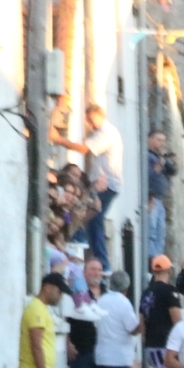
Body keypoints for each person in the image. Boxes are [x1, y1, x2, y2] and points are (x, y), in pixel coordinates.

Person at [51, 105, 123, 270]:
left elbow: (83, 149)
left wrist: (58, 139)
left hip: (107, 185)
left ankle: (98, 258)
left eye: (90, 119)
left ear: (97, 116)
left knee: (92, 215)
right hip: (102, 184)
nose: (89, 123)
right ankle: (87, 246)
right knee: (90, 215)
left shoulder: (106, 133)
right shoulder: (100, 133)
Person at [19, 273, 69, 368]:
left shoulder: (41, 309)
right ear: (48, 288)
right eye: (59, 292)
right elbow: (37, 346)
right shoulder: (37, 310)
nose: (61, 297)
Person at [69, 260, 104, 368]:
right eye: (92, 269)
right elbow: (65, 318)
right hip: (81, 349)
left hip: (101, 353)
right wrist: (67, 343)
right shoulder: (77, 294)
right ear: (84, 272)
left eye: (99, 269)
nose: (97, 273)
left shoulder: (107, 294)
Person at [94, 270, 141, 368]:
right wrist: (143, 324)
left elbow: (96, 325)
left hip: (102, 357)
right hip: (119, 358)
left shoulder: (101, 301)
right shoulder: (124, 303)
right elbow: (132, 329)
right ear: (126, 287)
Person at [146, 130, 176, 259]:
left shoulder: (159, 156)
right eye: (159, 140)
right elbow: (148, 176)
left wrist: (170, 161)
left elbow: (172, 171)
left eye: (163, 140)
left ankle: (158, 260)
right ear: (150, 139)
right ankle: (150, 262)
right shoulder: (146, 155)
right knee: (151, 232)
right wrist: (159, 165)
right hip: (150, 199)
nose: (162, 143)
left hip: (160, 199)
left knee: (160, 233)